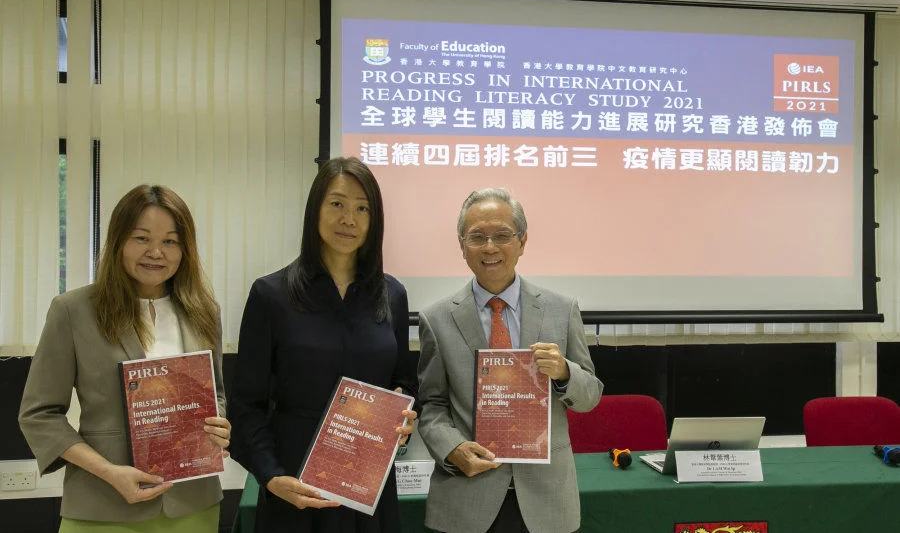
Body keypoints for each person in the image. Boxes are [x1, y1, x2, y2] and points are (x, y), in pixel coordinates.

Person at [18, 185, 231, 532]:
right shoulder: (73, 311)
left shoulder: (204, 311)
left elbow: (217, 393)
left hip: (193, 505)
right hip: (103, 505)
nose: (156, 253)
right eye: (141, 238)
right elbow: (38, 415)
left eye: (171, 241)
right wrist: (109, 473)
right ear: (118, 241)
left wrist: (219, 427)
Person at [229, 156, 418, 533]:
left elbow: (405, 383)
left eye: (362, 209)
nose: (349, 219)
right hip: (294, 485)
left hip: (368, 484)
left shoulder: (392, 295)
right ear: (314, 209)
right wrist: (271, 476)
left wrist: (406, 414)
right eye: (337, 204)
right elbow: (245, 404)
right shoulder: (271, 295)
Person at [417, 187, 603, 533]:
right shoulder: (437, 319)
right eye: (477, 237)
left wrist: (563, 372)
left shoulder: (561, 310)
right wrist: (451, 448)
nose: (490, 247)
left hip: (546, 499)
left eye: (502, 235)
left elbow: (590, 395)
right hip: (466, 497)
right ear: (461, 245)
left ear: (522, 241)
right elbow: (432, 404)